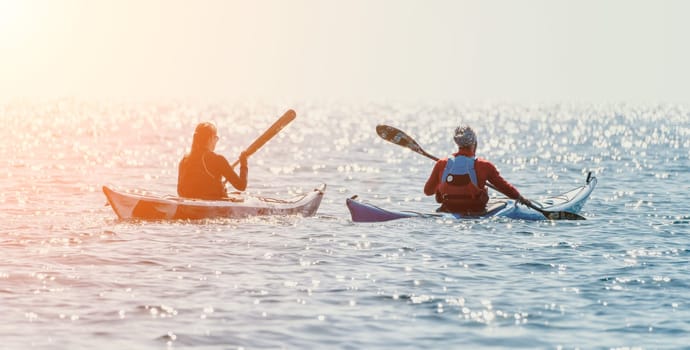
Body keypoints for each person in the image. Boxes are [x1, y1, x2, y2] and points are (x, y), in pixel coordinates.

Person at [424, 125, 530, 213]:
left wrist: (442, 184)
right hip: (475, 210)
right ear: (474, 143)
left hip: (448, 208)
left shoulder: (441, 163)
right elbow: (504, 188)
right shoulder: (485, 165)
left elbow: (428, 191)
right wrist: (520, 197)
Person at [177, 122, 248, 199]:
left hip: (188, 200)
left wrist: (219, 185)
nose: (216, 142)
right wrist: (243, 164)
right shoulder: (218, 159)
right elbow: (241, 186)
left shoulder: (185, 159)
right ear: (210, 138)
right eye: (216, 138)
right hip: (208, 202)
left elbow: (181, 189)